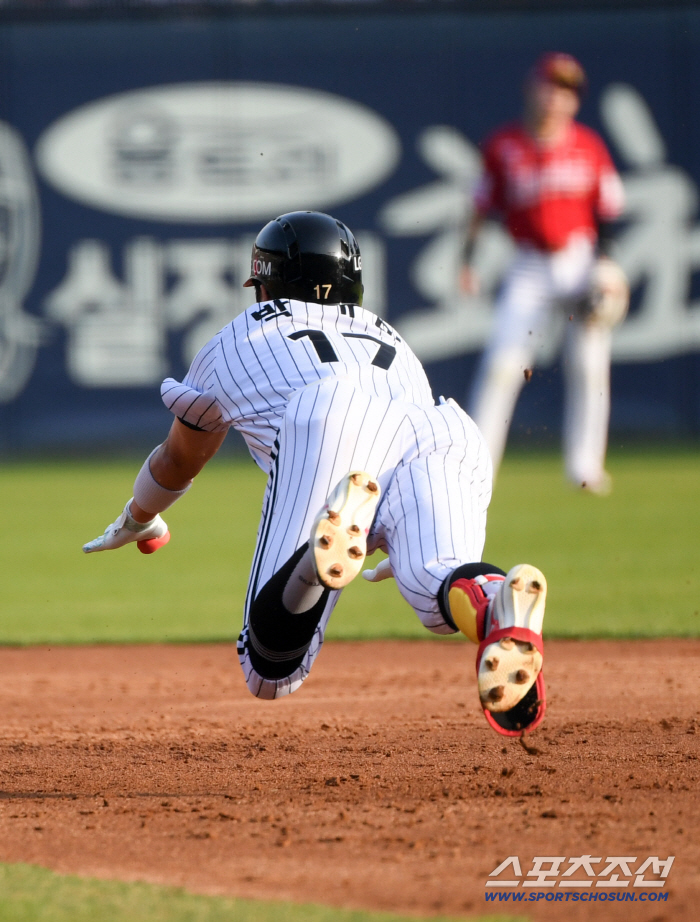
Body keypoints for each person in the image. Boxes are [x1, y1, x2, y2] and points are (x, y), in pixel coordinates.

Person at [84, 211, 548, 737]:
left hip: (333, 420)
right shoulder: (392, 338)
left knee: (269, 670)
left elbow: (179, 459)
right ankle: (494, 603)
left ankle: (315, 555)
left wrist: (138, 516)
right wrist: (391, 531)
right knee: (434, 586)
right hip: (447, 429)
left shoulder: (238, 335)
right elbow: (395, 449)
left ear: (267, 281)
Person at [461, 52, 628, 494]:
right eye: (551, 86)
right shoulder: (504, 146)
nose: (557, 97)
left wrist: (606, 263)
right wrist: (468, 261)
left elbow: (609, 207)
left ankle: (586, 468)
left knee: (590, 365)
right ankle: (478, 470)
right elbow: (479, 207)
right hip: (529, 264)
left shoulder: (588, 145)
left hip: (580, 261)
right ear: (532, 89)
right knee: (503, 365)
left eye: (567, 91)